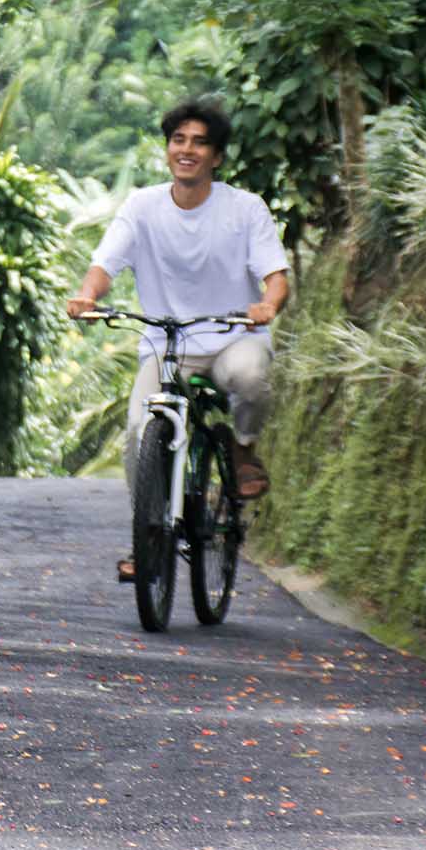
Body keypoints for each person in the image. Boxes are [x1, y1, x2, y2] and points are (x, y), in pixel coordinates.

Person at [66, 98, 289, 578]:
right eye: (178, 140)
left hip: (234, 336)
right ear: (168, 149)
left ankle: (244, 449)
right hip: (168, 345)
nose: (186, 150)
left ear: (217, 157)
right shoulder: (143, 207)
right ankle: (148, 539)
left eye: (200, 142)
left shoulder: (245, 209)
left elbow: (275, 275)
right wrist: (87, 296)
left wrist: (268, 305)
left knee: (250, 377)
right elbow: (105, 264)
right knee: (138, 429)